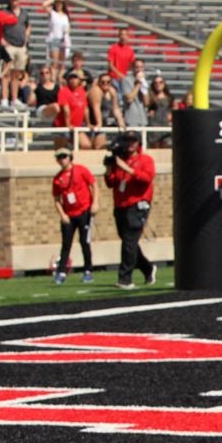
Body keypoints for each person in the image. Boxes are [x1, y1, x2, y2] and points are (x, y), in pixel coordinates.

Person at [104, 130, 156, 289]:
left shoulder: (145, 160)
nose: (131, 143)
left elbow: (146, 178)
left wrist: (126, 168)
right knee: (129, 241)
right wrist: (109, 168)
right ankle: (147, 268)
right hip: (121, 205)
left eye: (133, 140)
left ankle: (125, 278)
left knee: (129, 241)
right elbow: (110, 182)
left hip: (138, 204)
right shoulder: (120, 160)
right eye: (128, 140)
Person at [50, 147, 97, 284]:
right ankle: (62, 271)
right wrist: (62, 214)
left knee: (85, 242)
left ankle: (88, 270)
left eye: (64, 156)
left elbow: (93, 185)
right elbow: (57, 199)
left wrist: (95, 203)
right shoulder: (58, 178)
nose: (62, 160)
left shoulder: (81, 170)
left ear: (70, 157)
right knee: (66, 244)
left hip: (84, 211)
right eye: (59, 157)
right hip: (69, 214)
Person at [53, 69, 89, 149]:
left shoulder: (82, 91)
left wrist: (88, 123)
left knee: (86, 145)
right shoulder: (64, 91)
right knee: (61, 149)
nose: (73, 80)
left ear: (79, 80)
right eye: (71, 78)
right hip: (62, 125)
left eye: (75, 78)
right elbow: (66, 109)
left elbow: (85, 109)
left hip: (77, 126)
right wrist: (68, 124)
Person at [41, 0, 69, 79]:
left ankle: (60, 80)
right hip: (54, 39)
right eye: (57, 3)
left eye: (60, 3)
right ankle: (53, 79)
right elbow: (44, 5)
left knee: (62, 64)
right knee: (54, 63)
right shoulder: (53, 13)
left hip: (63, 40)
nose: (58, 5)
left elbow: (68, 27)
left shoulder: (65, 16)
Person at [119, 56, 148, 129]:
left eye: (141, 67)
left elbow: (146, 102)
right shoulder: (126, 80)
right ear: (133, 68)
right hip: (131, 118)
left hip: (142, 118)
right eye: (137, 67)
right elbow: (129, 99)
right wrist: (138, 84)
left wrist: (144, 87)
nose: (139, 69)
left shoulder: (144, 81)